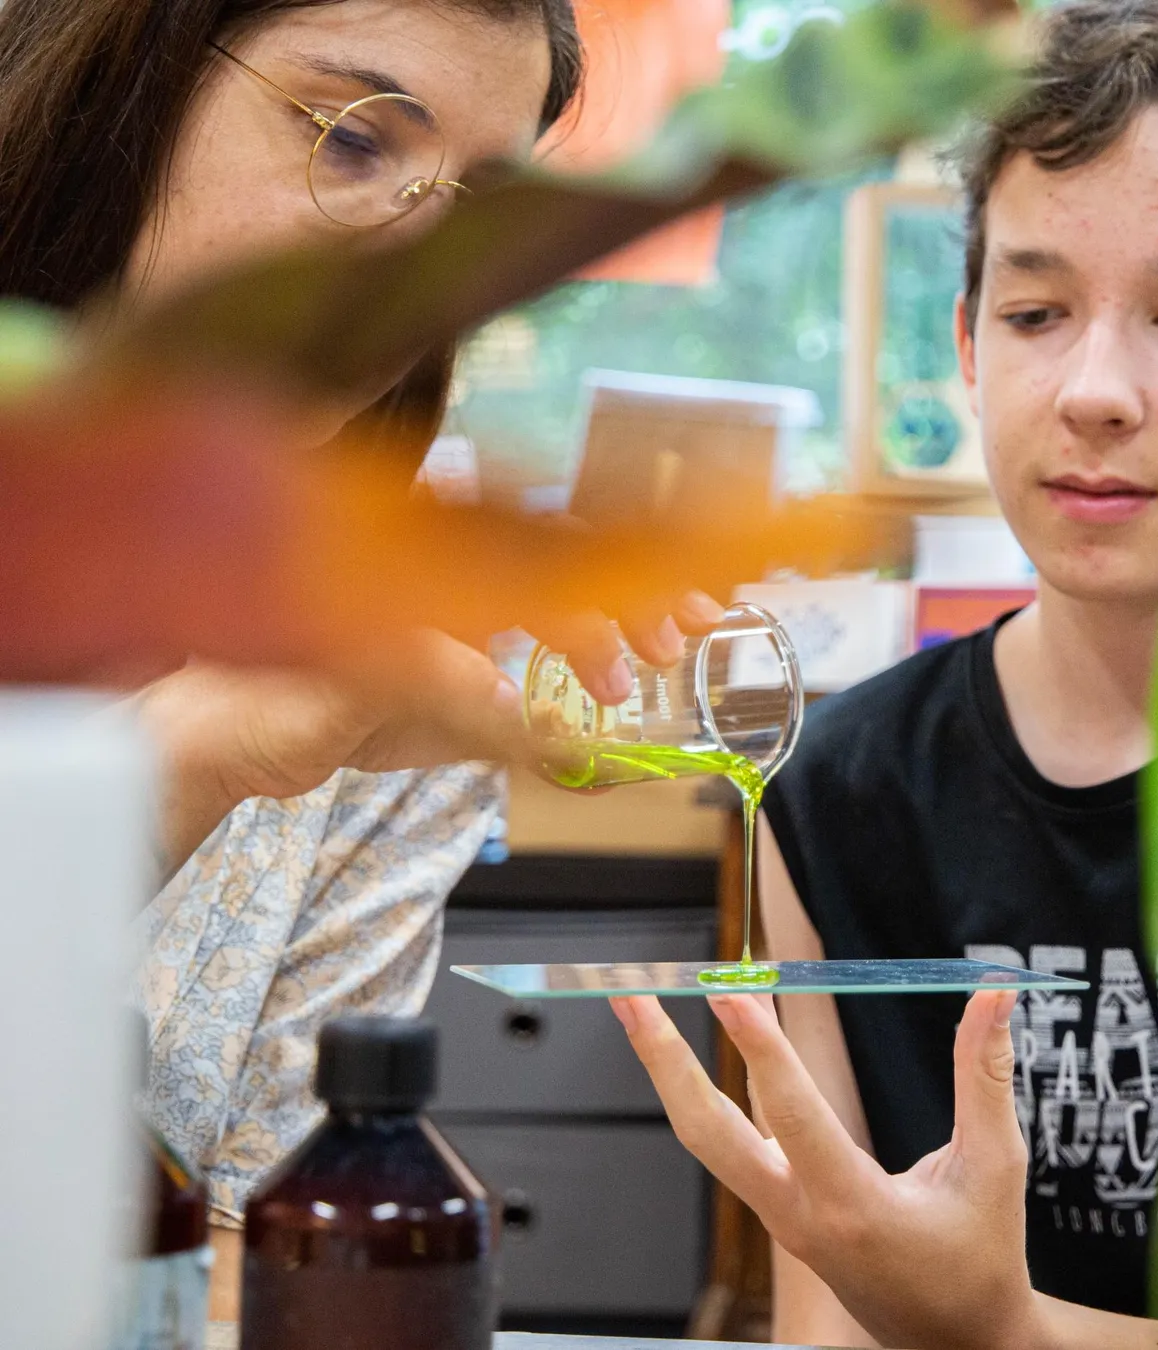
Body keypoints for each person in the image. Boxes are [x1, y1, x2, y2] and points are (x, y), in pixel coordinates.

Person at [614, 0, 1158, 1344]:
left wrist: (996, 1328)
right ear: (969, 343)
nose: (1093, 390)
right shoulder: (836, 791)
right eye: (1034, 312)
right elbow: (825, 1329)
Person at [0, 0, 717, 1297]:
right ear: (124, 87)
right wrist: (178, 765)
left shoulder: (383, 672)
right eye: (352, 140)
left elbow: (253, 1256)